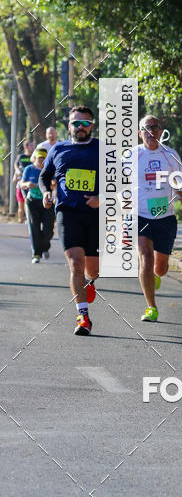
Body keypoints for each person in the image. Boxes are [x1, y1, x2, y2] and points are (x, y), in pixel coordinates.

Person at [39, 106, 99, 336]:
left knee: (92, 269)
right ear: (69, 125)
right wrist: (46, 192)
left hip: (96, 214)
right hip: (67, 212)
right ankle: (83, 316)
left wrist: (101, 198)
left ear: (91, 126)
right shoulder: (59, 149)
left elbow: (120, 179)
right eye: (76, 123)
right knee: (75, 262)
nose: (80, 127)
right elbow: (44, 177)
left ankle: (89, 281)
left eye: (85, 123)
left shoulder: (102, 149)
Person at [136, 116, 182, 322]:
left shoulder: (170, 155)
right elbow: (120, 183)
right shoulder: (132, 155)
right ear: (140, 132)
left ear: (160, 131)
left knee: (160, 268)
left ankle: (155, 276)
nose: (150, 132)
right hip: (141, 215)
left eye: (154, 128)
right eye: (146, 128)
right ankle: (151, 307)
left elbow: (181, 179)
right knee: (146, 259)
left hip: (165, 216)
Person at [20, 148, 55, 262]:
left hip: (47, 202)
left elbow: (55, 184)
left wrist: (53, 184)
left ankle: (45, 247)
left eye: (43, 158)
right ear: (34, 158)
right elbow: (21, 184)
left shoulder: (50, 170)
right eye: (39, 158)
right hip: (32, 201)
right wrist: (27, 184)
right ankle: (36, 254)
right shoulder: (29, 169)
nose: (41, 160)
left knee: (48, 230)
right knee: (34, 227)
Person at [13, 140, 35, 223]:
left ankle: (28, 219)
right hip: (20, 184)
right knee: (21, 204)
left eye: (33, 146)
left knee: (27, 201)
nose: (32, 147)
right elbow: (16, 164)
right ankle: (20, 220)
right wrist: (17, 170)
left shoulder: (33, 157)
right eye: (31, 146)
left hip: (29, 184)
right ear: (26, 147)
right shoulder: (21, 156)